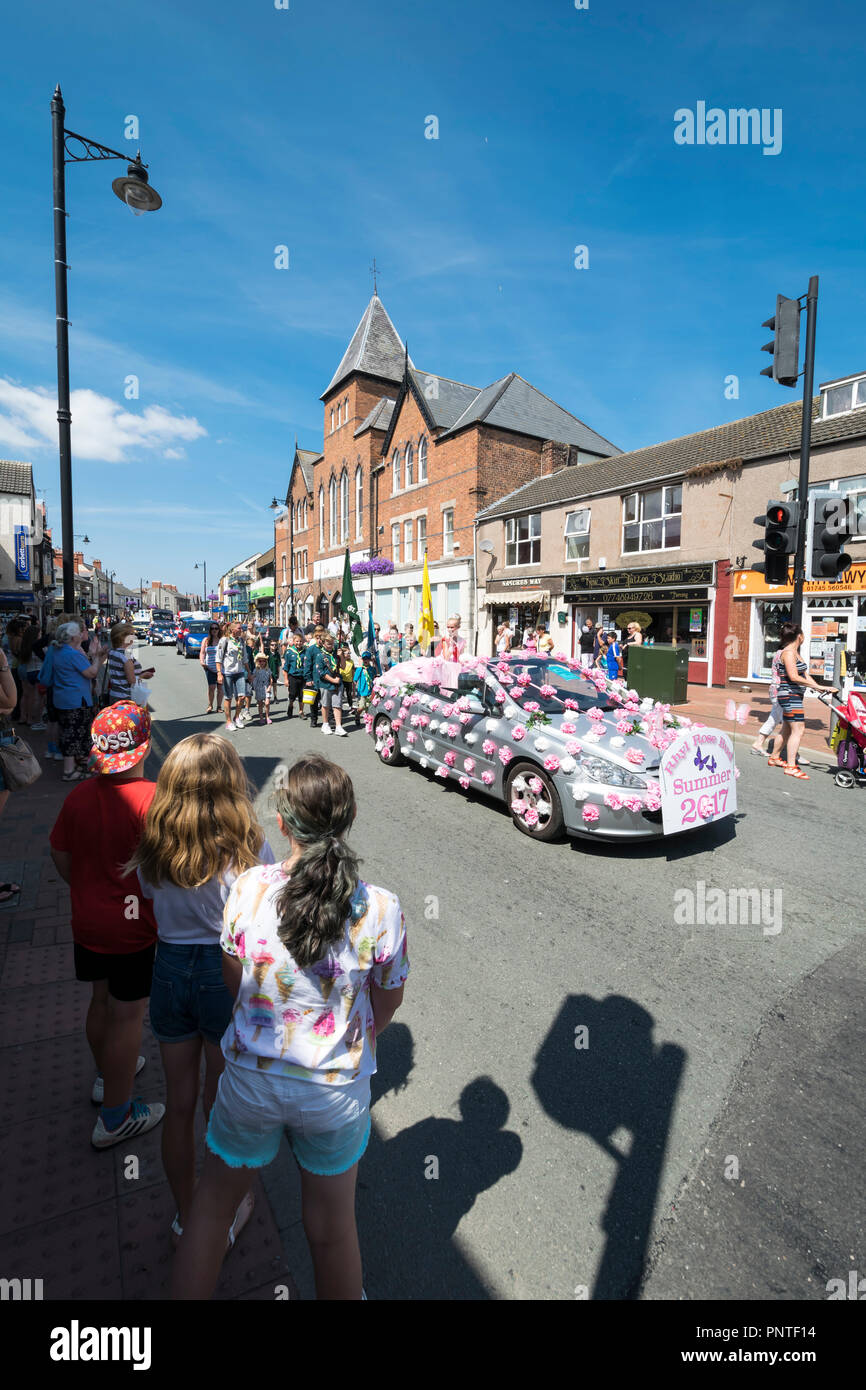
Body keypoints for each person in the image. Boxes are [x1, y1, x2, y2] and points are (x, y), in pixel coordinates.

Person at [170, 754, 408, 1301]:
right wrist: (365, 1033)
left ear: (282, 823)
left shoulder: (249, 888)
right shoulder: (380, 908)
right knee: (331, 1231)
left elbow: (236, 980)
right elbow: (388, 997)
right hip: (334, 1091)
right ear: (347, 820)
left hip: (250, 1081)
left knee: (210, 1213)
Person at [128, 734, 275, 1246]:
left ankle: (188, 1212)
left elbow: (148, 893)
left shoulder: (156, 836)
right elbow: (265, 910)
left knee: (180, 1102)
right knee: (221, 1101)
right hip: (222, 971)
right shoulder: (250, 842)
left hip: (168, 966)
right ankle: (223, 1211)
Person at [48, 701, 164, 1147]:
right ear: (144, 747)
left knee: (100, 1001)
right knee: (129, 1013)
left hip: (89, 919)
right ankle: (116, 1117)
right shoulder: (153, 799)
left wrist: (86, 888)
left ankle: (106, 1077)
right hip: (133, 926)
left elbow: (60, 854)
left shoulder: (78, 797)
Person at [769, 623, 835, 779]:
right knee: (798, 729)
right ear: (800, 636)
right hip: (790, 695)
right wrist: (818, 685)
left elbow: (804, 675)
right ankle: (791, 766)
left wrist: (821, 688)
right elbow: (794, 677)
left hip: (794, 695)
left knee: (787, 728)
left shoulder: (795, 653)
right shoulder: (789, 653)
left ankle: (774, 757)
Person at [51, 620, 109, 780]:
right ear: (71, 637)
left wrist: (98, 656)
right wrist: (97, 658)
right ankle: (69, 771)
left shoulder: (59, 651)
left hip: (63, 698)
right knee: (73, 734)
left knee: (72, 732)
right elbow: (91, 673)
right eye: (77, 632)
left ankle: (78, 765)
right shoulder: (72, 654)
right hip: (76, 700)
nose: (80, 634)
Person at [108, 622, 156, 706]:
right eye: (132, 634)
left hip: (114, 695)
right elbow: (132, 681)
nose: (134, 637)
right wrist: (143, 676)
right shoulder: (126, 656)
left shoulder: (112, 652)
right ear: (123, 637)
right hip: (126, 698)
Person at [216, 621, 249, 732]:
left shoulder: (241, 641)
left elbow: (245, 658)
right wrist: (219, 673)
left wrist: (249, 672)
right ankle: (229, 721)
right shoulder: (224, 641)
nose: (241, 630)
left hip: (239, 672)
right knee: (228, 698)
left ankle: (237, 717)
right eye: (239, 628)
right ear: (232, 630)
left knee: (242, 697)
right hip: (228, 673)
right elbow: (218, 658)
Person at [752, 645, 783, 757]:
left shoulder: (779, 653)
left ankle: (758, 743)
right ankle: (790, 753)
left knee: (773, 719)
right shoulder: (784, 654)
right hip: (781, 691)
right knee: (789, 724)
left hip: (776, 689)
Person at [318, 633, 347, 737]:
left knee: (337, 704)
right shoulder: (320, 655)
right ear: (323, 643)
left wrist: (341, 656)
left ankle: (338, 726)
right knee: (325, 705)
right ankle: (325, 724)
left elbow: (343, 667)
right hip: (326, 684)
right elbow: (321, 673)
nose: (331, 646)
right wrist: (333, 680)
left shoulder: (336, 653)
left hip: (338, 683)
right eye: (328, 644)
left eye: (332, 643)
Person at [199, 623, 223, 714]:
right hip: (209, 667)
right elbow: (202, 653)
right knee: (211, 688)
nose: (214, 630)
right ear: (210, 630)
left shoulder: (222, 640)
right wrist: (202, 662)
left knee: (220, 688)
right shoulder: (206, 640)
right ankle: (210, 705)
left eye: (216, 628)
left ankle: (219, 706)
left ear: (218, 630)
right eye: (212, 628)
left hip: (221, 668)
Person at [282, 631, 306, 719]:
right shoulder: (289, 652)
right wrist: (286, 679)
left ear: (303, 641)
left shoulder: (305, 651)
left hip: (302, 676)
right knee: (292, 694)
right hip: (293, 676)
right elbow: (286, 667)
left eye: (300, 641)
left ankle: (301, 711)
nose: (298, 643)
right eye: (297, 641)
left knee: (302, 695)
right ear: (293, 641)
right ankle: (290, 705)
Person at [302, 629, 323, 728]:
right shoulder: (311, 649)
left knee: (326, 701)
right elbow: (307, 665)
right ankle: (314, 719)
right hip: (314, 679)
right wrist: (308, 678)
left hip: (325, 679)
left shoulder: (326, 649)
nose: (319, 640)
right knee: (314, 701)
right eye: (317, 638)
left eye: (321, 638)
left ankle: (329, 719)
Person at [251, 653, 273, 725]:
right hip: (259, 688)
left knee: (267, 703)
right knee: (260, 704)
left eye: (263, 661)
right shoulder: (256, 670)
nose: (262, 663)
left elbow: (271, 679)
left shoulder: (268, 669)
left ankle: (267, 717)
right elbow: (252, 677)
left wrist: (270, 686)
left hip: (266, 687)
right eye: (260, 661)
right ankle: (261, 717)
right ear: (257, 662)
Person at [354, 651, 374, 727]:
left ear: (370, 660)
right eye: (364, 659)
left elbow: (375, 676)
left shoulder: (372, 669)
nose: (366, 660)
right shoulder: (360, 669)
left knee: (368, 708)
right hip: (361, 692)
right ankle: (357, 715)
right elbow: (355, 680)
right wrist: (355, 690)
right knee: (361, 707)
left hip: (370, 692)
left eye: (367, 659)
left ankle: (367, 721)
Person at [338, 644, 356, 716]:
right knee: (340, 694)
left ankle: (350, 706)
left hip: (348, 680)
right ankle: (340, 707)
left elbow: (352, 672)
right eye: (348, 653)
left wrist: (353, 680)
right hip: (342, 680)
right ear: (343, 654)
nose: (349, 654)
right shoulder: (340, 660)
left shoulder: (351, 661)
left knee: (349, 694)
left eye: (350, 653)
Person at [266, 639, 281, 704]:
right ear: (269, 646)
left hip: (274, 672)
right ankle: (266, 697)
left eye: (275, 645)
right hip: (267, 672)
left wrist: (278, 673)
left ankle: (275, 697)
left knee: (274, 685)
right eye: (272, 645)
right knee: (267, 685)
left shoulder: (277, 654)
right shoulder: (267, 653)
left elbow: (278, 665)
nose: (274, 646)